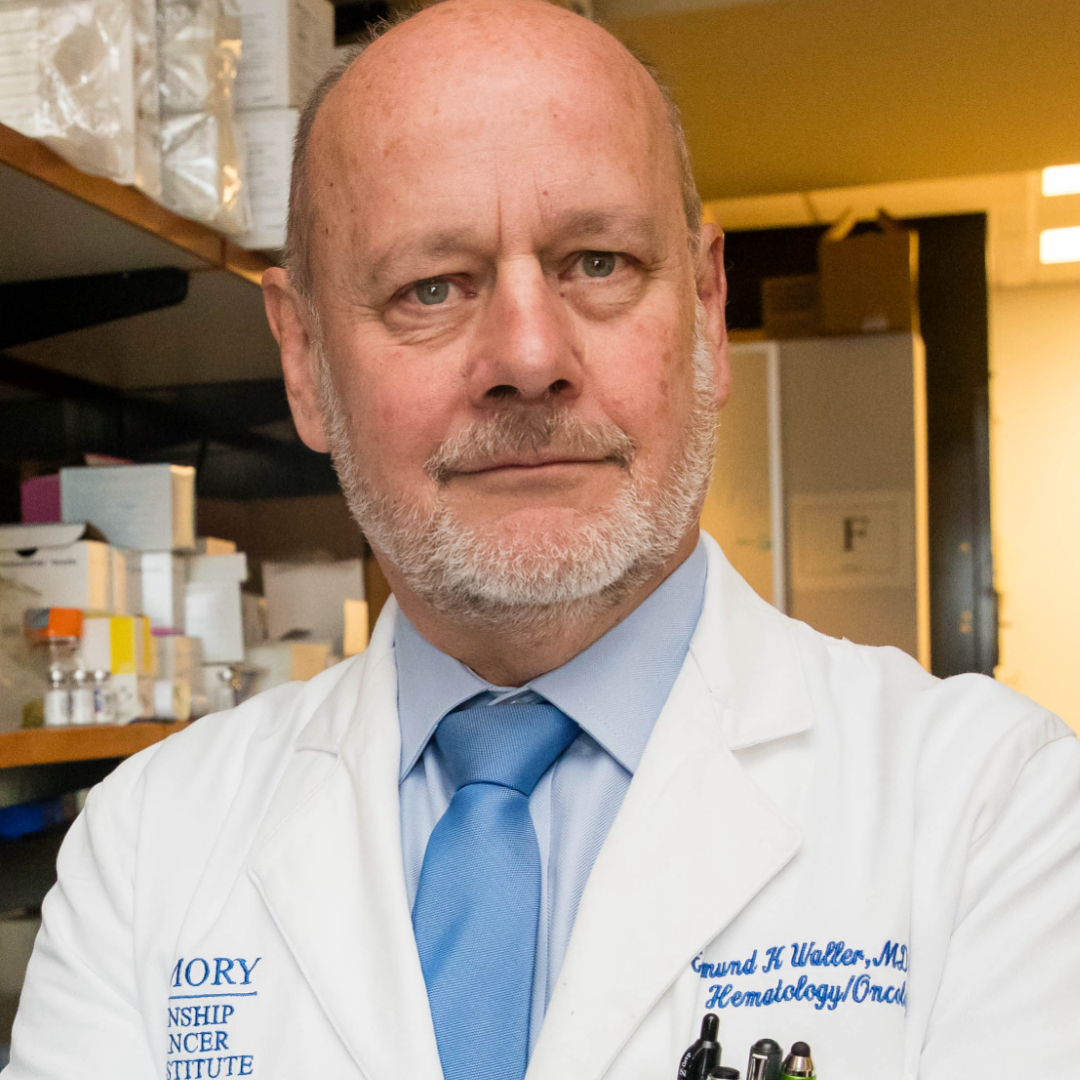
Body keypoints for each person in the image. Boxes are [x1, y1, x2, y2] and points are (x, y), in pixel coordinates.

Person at [7, 1, 1080, 1077]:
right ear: (303, 360)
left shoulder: (995, 811)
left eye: (599, 263)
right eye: (430, 287)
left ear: (708, 310)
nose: (528, 358)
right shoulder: (148, 846)